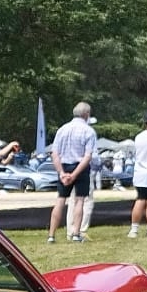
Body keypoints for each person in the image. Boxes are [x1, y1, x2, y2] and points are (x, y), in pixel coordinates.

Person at [48, 101, 97, 243]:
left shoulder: (62, 129)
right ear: (86, 114)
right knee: (80, 200)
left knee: (60, 200)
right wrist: (75, 174)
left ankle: (51, 235)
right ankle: (76, 233)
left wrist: (62, 173)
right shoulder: (88, 131)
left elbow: (54, 153)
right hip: (80, 167)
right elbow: (87, 156)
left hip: (64, 166)